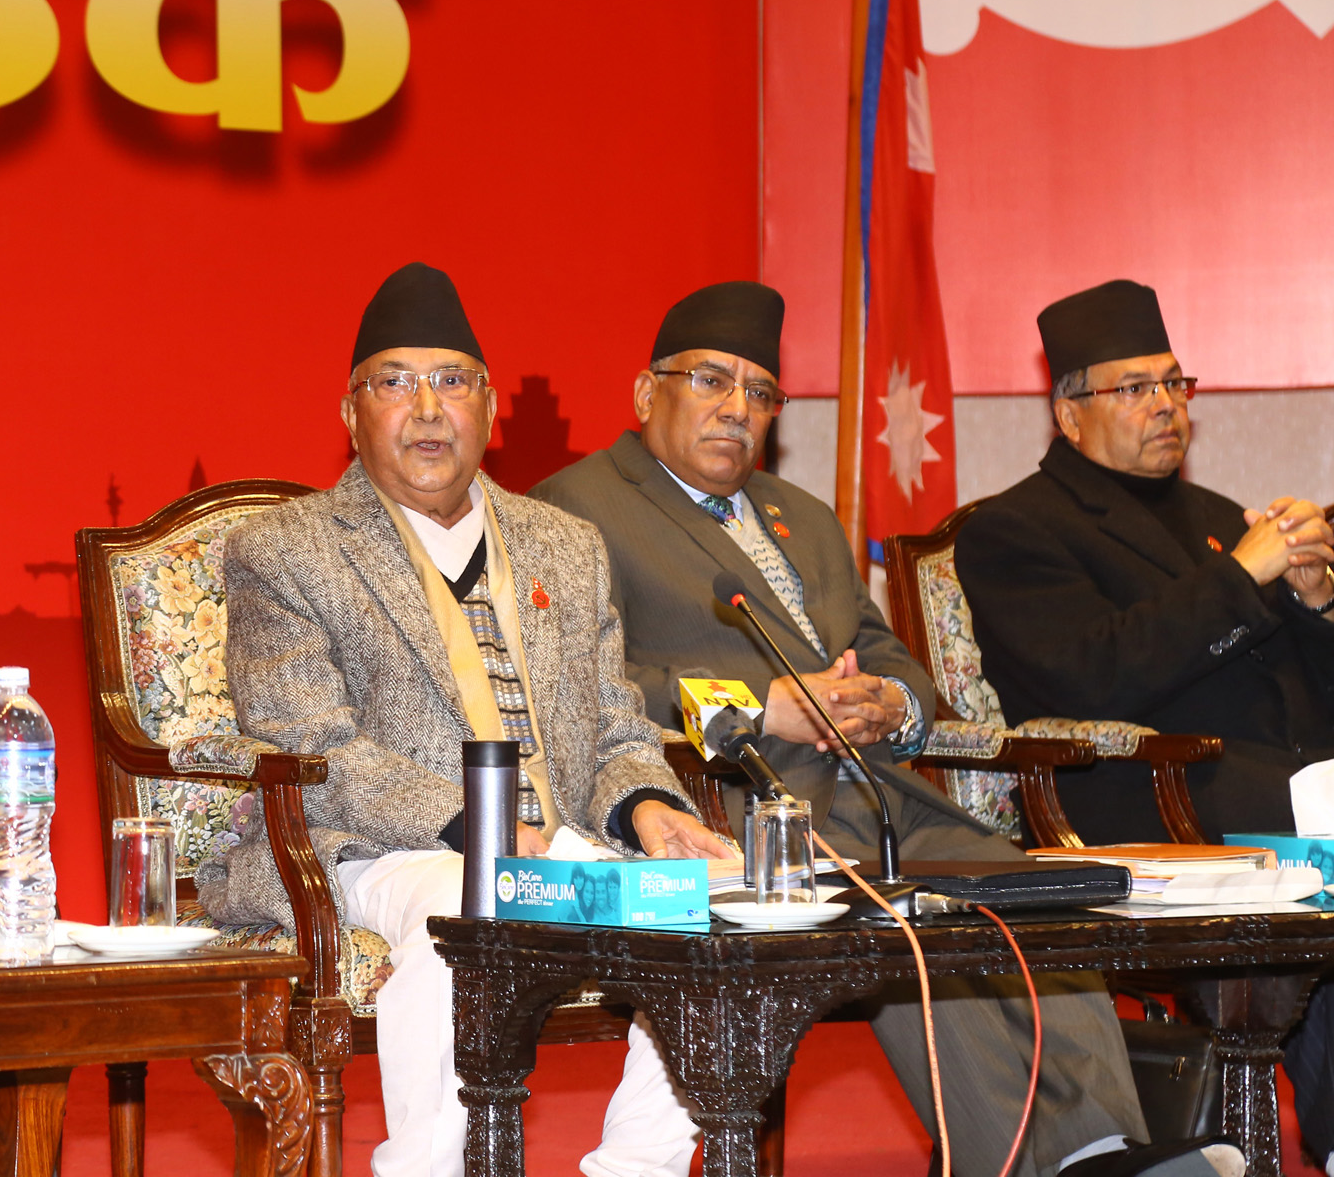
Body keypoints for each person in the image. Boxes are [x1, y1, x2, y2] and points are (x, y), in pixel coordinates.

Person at [531, 280, 1240, 1177]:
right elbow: (580, 685)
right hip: (743, 808)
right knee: (906, 927)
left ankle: (1109, 1149)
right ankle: (1040, 1164)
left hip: (877, 791)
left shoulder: (801, 516)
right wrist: (755, 707)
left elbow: (891, 658)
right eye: (712, 381)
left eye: (760, 392)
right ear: (645, 392)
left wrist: (892, 704)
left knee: (1032, 897)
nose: (737, 408)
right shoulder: (574, 510)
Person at [197, 262, 734, 1177]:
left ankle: (634, 1169)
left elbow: (616, 724)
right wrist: (475, 829)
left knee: (715, 911)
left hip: (559, 848)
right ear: (350, 413)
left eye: (451, 381)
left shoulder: (565, 544)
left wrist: (650, 809)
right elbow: (311, 744)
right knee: (464, 905)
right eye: (394, 383)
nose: (427, 409)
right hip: (375, 851)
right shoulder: (285, 550)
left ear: (488, 407)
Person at [952, 277, 1334, 1168]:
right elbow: (1091, 675)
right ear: (1069, 412)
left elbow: (1307, 697)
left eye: (1173, 382)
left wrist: (1315, 602)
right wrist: (1241, 579)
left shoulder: (1217, 519)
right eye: (1135, 387)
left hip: (1281, 793)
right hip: (1146, 802)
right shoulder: (1015, 531)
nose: (1166, 405)